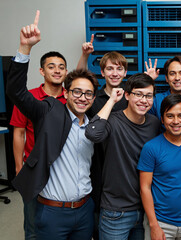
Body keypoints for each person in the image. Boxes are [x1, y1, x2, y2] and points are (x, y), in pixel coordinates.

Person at [7, 11, 99, 239]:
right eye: (76, 92)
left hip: (85, 209)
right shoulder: (47, 110)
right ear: (66, 93)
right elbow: (16, 92)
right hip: (51, 210)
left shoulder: (93, 122)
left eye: (88, 94)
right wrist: (25, 48)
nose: (82, 97)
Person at [85, 73, 160, 240]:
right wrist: (111, 100)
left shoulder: (154, 123)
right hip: (115, 211)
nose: (143, 100)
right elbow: (92, 134)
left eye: (148, 96)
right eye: (138, 94)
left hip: (144, 209)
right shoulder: (112, 121)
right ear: (127, 95)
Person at [10, 50, 67, 240]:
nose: (57, 71)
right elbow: (19, 133)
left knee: (62, 220)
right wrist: (19, 166)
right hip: (35, 168)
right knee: (33, 224)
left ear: (66, 72)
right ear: (42, 71)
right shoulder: (29, 98)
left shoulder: (72, 98)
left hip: (63, 168)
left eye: (61, 67)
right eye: (51, 67)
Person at [138, 94, 181, 240]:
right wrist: (153, 225)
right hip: (161, 223)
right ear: (162, 119)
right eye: (170, 116)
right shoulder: (151, 148)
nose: (176, 121)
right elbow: (145, 187)